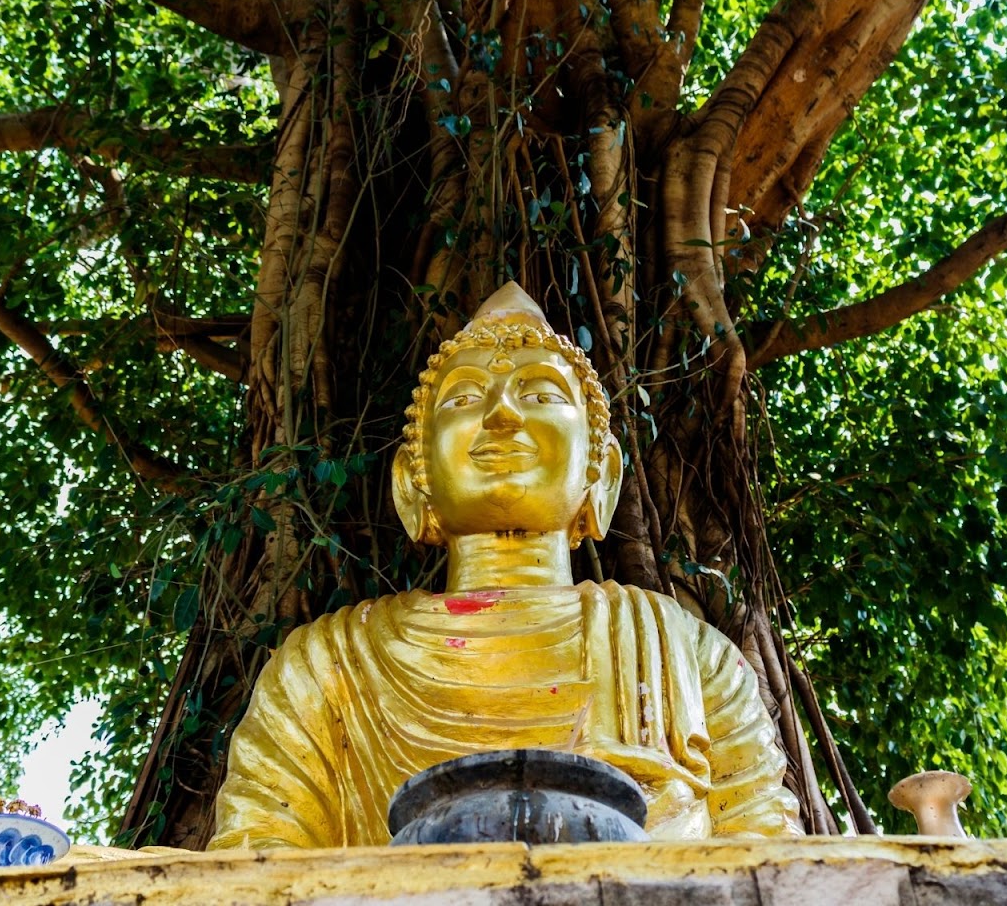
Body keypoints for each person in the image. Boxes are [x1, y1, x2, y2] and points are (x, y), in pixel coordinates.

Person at [209, 283, 801, 849]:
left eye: (542, 394)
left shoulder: (686, 654)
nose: (501, 415)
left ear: (603, 474)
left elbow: (766, 852)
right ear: (412, 481)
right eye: (464, 398)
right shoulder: (326, 666)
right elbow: (254, 861)